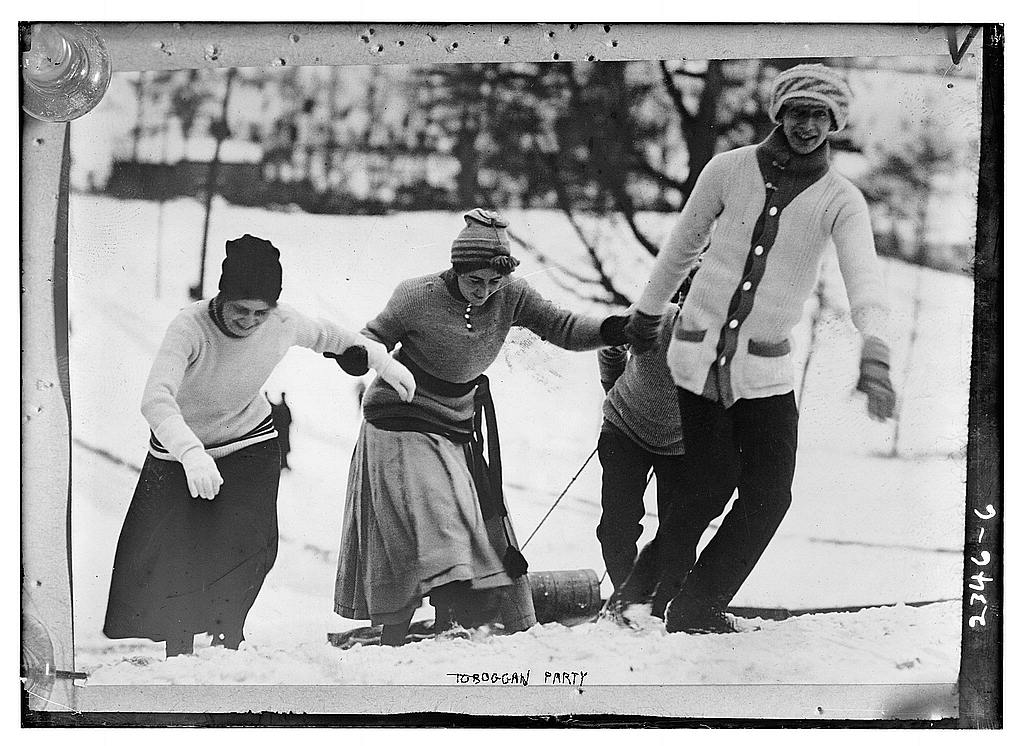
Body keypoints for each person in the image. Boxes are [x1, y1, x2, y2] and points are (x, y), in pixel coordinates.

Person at [622, 64, 896, 633]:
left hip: (765, 370)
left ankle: (690, 601)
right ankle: (646, 598)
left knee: (771, 494)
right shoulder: (728, 170)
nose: (807, 125)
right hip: (695, 358)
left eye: (820, 115)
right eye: (797, 112)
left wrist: (875, 348)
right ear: (779, 113)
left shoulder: (840, 199)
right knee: (711, 484)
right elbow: (681, 246)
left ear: (834, 123)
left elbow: (863, 277)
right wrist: (648, 312)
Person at [103, 234, 415, 657]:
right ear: (222, 295)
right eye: (240, 310)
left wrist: (382, 361)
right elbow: (155, 399)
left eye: (260, 312)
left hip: (250, 441)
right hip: (181, 450)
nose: (249, 321)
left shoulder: (283, 323)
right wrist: (191, 454)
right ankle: (179, 647)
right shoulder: (189, 327)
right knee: (174, 550)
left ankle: (228, 633)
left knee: (248, 544)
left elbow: (333, 337)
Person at [332, 208, 629, 645]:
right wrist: (356, 354)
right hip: (399, 418)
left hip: (455, 424)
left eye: (494, 283)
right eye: (476, 282)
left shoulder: (511, 295)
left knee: (479, 527)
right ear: (457, 269)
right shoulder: (416, 296)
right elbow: (372, 336)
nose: (485, 292)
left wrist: (617, 328)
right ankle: (402, 632)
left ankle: (456, 624)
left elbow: (563, 328)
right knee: (440, 522)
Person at [265, 392, 293, 470]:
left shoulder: (283, 408)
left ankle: (284, 464)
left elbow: (289, 420)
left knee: (282, 448)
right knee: (280, 448)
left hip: (282, 433)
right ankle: (282, 464)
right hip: (281, 433)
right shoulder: (283, 408)